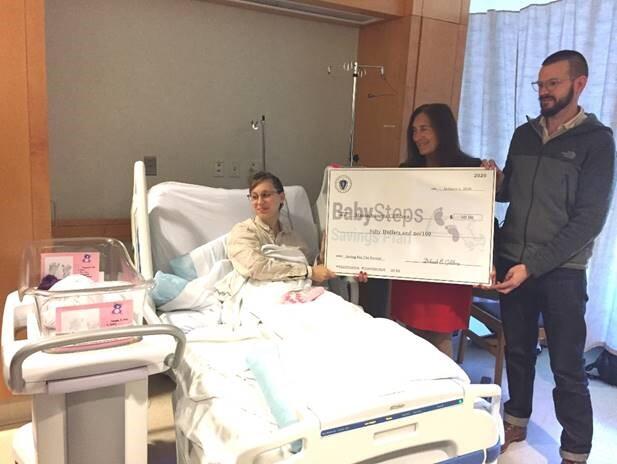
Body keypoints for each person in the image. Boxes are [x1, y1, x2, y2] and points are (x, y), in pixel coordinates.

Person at [487, 50, 615, 464]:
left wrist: (534, 266)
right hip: (512, 261)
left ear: (579, 84)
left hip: (561, 272)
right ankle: (516, 424)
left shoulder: (597, 142)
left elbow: (588, 221)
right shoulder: (524, 135)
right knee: (519, 353)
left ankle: (575, 451)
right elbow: (510, 193)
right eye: (539, 84)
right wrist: (494, 180)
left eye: (552, 84)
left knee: (567, 366)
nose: (543, 92)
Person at [390, 103, 482, 357]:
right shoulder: (406, 172)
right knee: (409, 337)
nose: (417, 137)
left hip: (448, 272)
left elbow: (479, 223)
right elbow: (392, 218)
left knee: (440, 337)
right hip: (412, 268)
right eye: (414, 131)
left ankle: (445, 392)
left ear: (443, 130)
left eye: (424, 129)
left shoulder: (473, 170)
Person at [227, 171, 336, 283]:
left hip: (296, 295)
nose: (259, 202)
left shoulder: (294, 238)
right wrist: (309, 272)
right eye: (254, 197)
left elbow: (310, 280)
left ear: (282, 197)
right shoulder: (244, 231)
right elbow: (256, 268)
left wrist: (323, 257)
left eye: (266, 195)